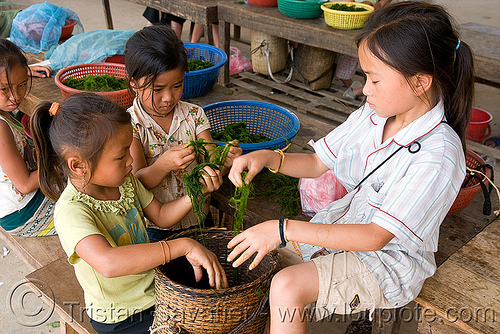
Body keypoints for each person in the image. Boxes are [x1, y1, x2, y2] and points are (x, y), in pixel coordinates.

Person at [226, 2, 473, 333]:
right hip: (343, 225)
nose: (365, 89)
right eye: (365, 76)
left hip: (387, 261)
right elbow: (317, 163)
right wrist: (270, 158)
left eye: (374, 78)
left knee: (288, 286)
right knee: (261, 263)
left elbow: (376, 237)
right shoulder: (375, 115)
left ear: (420, 82)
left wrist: (283, 229)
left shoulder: (438, 154)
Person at [30, 92, 228, 333]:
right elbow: (108, 263)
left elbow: (162, 216)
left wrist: (195, 196)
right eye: (121, 156)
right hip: (120, 316)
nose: (131, 161)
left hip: (155, 293)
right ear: (78, 165)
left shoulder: (125, 183)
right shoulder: (71, 211)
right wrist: (183, 245)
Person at [124, 25, 242, 241]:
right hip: (156, 229)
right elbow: (136, 181)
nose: (168, 97)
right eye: (158, 89)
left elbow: (211, 160)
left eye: (177, 86)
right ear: (134, 83)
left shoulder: (194, 116)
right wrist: (162, 165)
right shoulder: (130, 125)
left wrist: (225, 162)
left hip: (199, 218)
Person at [0, 38, 54, 237]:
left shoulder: (4, 112)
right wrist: (55, 164)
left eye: (22, 84)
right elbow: (24, 185)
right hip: (21, 215)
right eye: (4, 89)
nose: (15, 96)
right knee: (88, 211)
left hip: (22, 203)